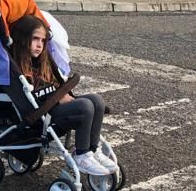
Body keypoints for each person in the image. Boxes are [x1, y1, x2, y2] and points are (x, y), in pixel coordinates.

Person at [7, 14, 117, 176]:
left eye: (43, 41)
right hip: (41, 114)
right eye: (35, 39)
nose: (39, 45)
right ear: (23, 39)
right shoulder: (16, 67)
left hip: (54, 106)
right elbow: (27, 100)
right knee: (85, 106)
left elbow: (56, 85)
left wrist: (61, 97)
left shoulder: (43, 62)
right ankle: (81, 155)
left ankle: (93, 150)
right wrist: (59, 99)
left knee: (96, 100)